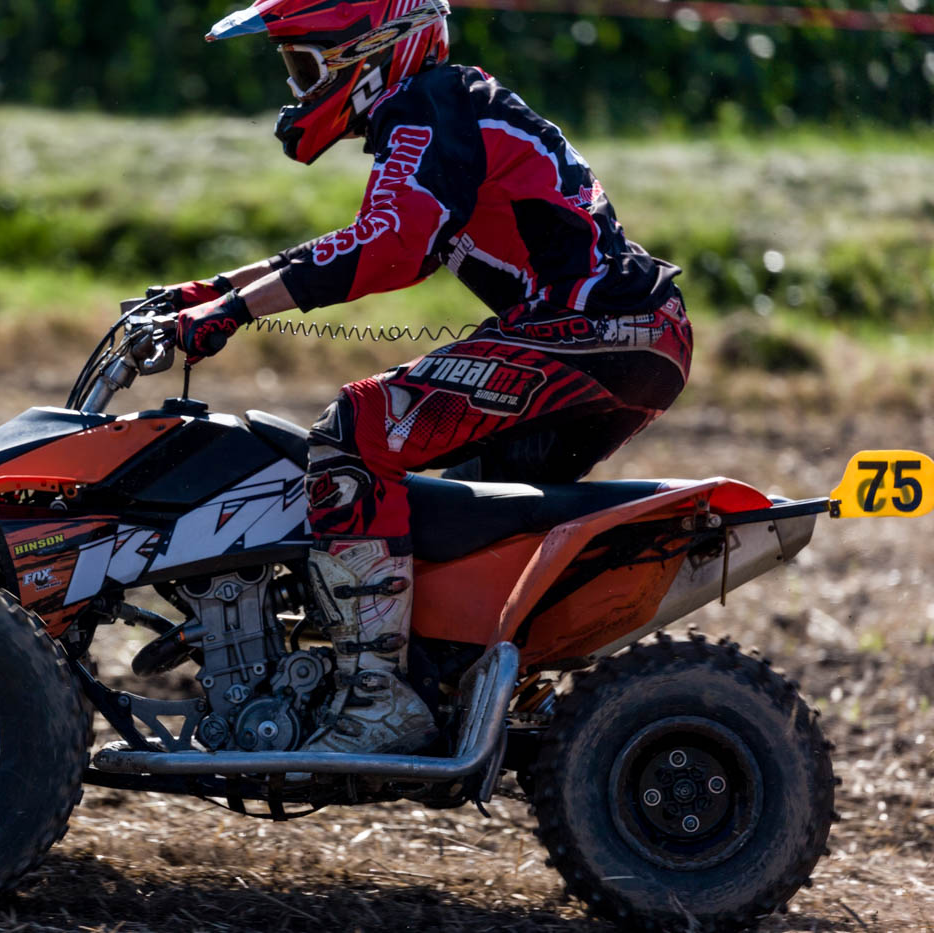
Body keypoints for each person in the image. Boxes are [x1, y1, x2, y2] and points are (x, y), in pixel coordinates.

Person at [159, 0, 693, 755]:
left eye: (306, 67)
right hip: (626, 335)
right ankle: (466, 683)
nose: (298, 90)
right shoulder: (448, 107)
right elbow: (363, 238)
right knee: (458, 513)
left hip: (593, 331)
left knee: (359, 429)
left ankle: (377, 698)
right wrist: (212, 290)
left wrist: (233, 310)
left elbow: (386, 247)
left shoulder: (428, 105)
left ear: (375, 53)